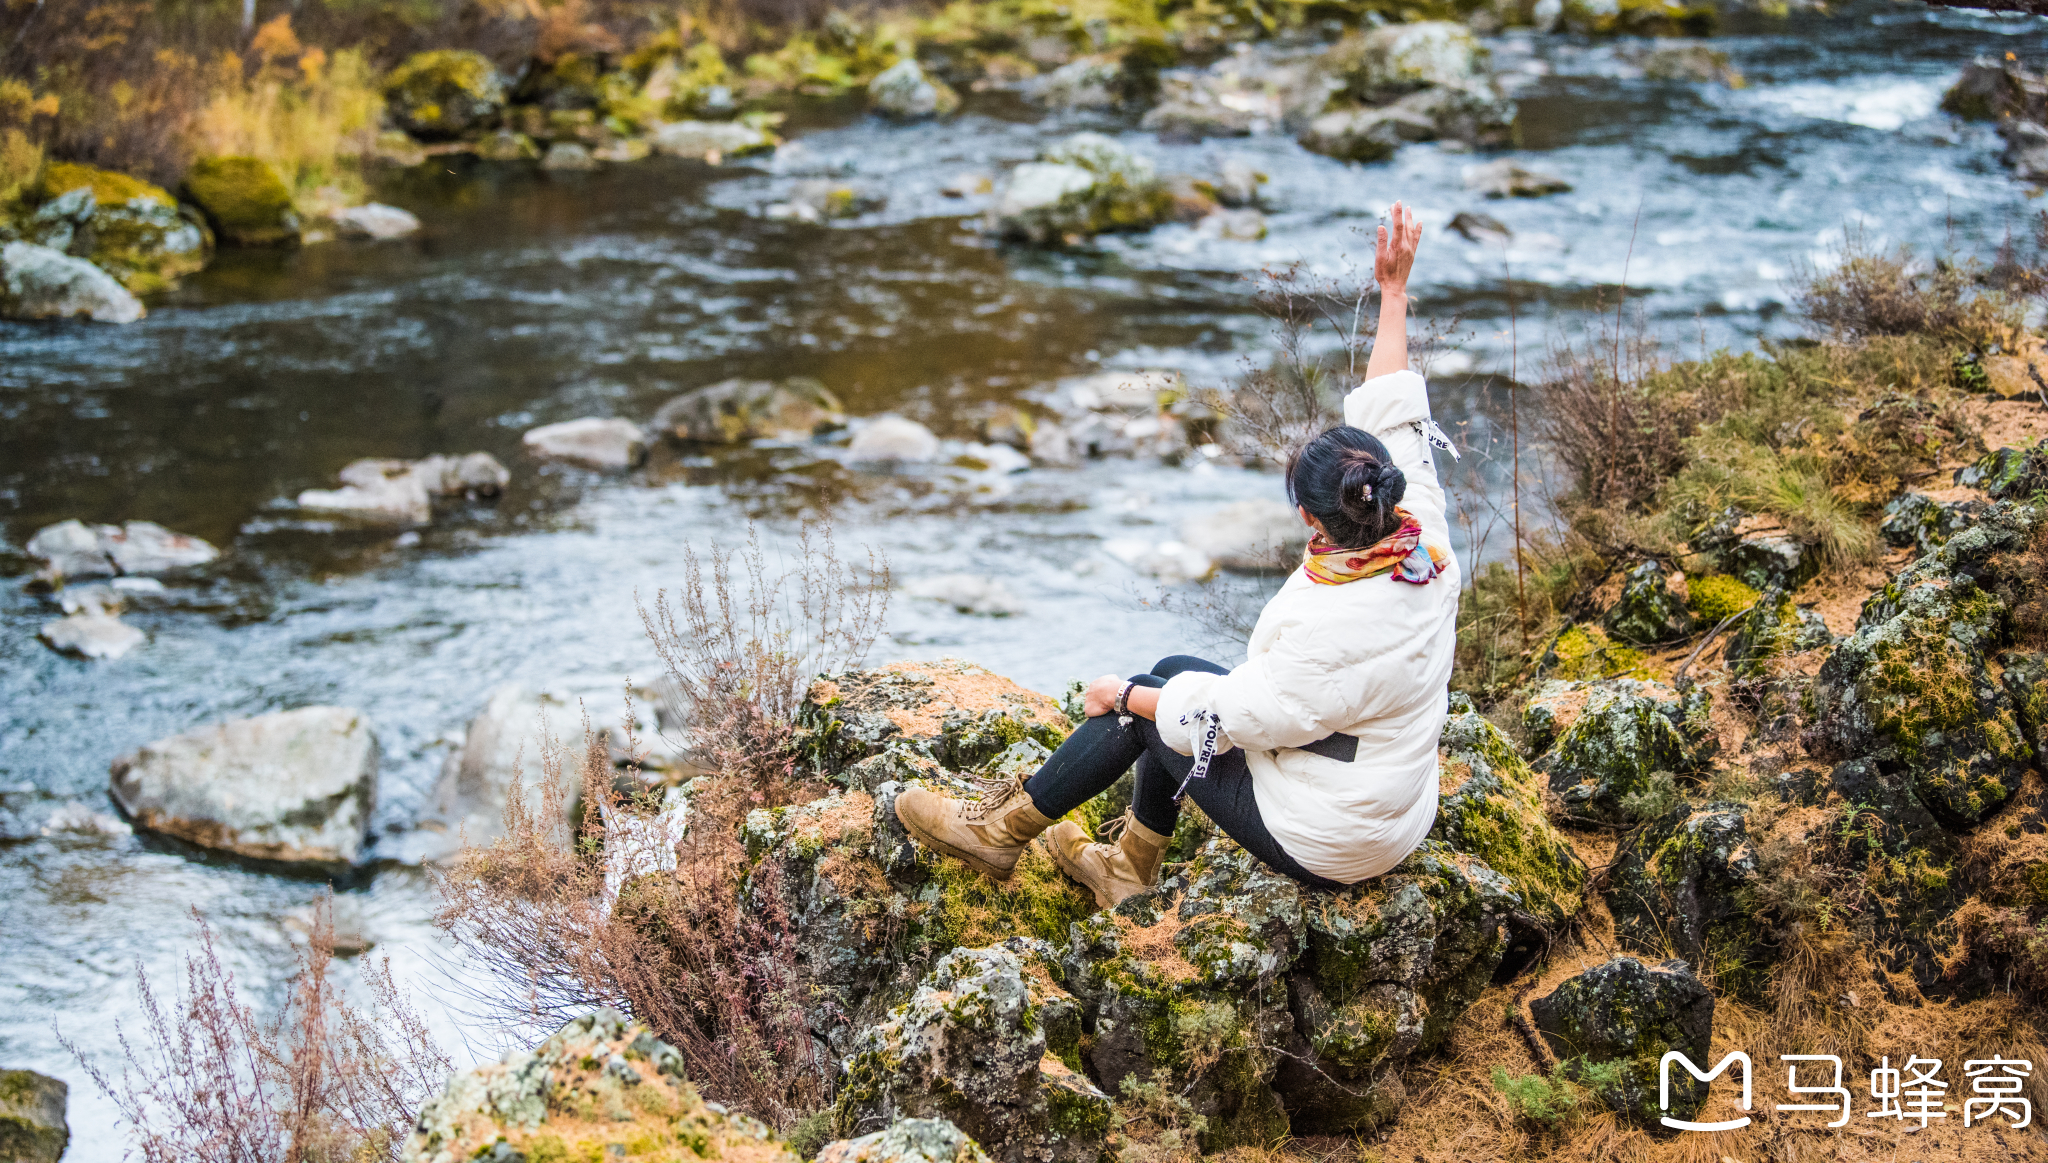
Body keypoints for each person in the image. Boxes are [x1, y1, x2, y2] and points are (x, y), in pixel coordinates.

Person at [894, 201, 1459, 905]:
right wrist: (1394, 294)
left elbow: (1235, 717)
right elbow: (1393, 406)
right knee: (1172, 673)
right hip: (1386, 800)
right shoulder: (1420, 535)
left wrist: (1122, 696)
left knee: (1147, 708)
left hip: (1331, 835)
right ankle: (1129, 867)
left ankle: (999, 833)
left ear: (1312, 516)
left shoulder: (1332, 624)